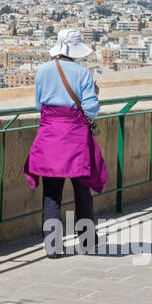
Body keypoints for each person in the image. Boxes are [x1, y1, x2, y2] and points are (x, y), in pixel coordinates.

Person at [23, 28, 107, 257]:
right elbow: (91, 109)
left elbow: (40, 106)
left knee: (51, 194)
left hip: (50, 136)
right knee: (82, 191)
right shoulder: (82, 74)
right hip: (76, 138)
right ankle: (87, 241)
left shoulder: (42, 70)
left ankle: (52, 246)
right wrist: (95, 93)